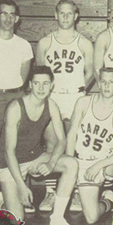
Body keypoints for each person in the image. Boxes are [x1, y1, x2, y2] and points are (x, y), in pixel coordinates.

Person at [36, 0, 94, 212]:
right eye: (62, 13)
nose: (66, 17)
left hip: (75, 97)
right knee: (51, 143)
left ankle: (77, 191)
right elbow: (40, 74)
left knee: (76, 146)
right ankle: (51, 192)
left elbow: (90, 72)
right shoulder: (44, 43)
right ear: (55, 15)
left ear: (76, 16)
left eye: (70, 13)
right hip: (53, 97)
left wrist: (80, 90)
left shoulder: (84, 43)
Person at [0, 66, 78, 225]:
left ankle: (57, 218)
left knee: (71, 163)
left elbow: (62, 140)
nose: (41, 88)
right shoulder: (15, 108)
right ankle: (5, 200)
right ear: (30, 85)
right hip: (9, 164)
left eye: (45, 83)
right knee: (17, 221)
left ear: (52, 85)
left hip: (34, 158)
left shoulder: (52, 105)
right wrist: (21, 187)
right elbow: (8, 152)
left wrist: (51, 163)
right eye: (37, 83)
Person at [66, 67, 113, 225]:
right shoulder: (84, 102)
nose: (107, 86)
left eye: (111, 82)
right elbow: (71, 134)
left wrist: (99, 165)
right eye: (104, 82)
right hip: (83, 162)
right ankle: (109, 202)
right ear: (98, 84)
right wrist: (70, 163)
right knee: (91, 218)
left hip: (106, 164)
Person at [0, 0, 33, 134]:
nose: (8, 18)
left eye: (12, 14)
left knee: (11, 140)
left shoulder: (24, 45)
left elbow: (22, 79)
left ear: (17, 19)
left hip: (14, 97)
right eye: (4, 13)